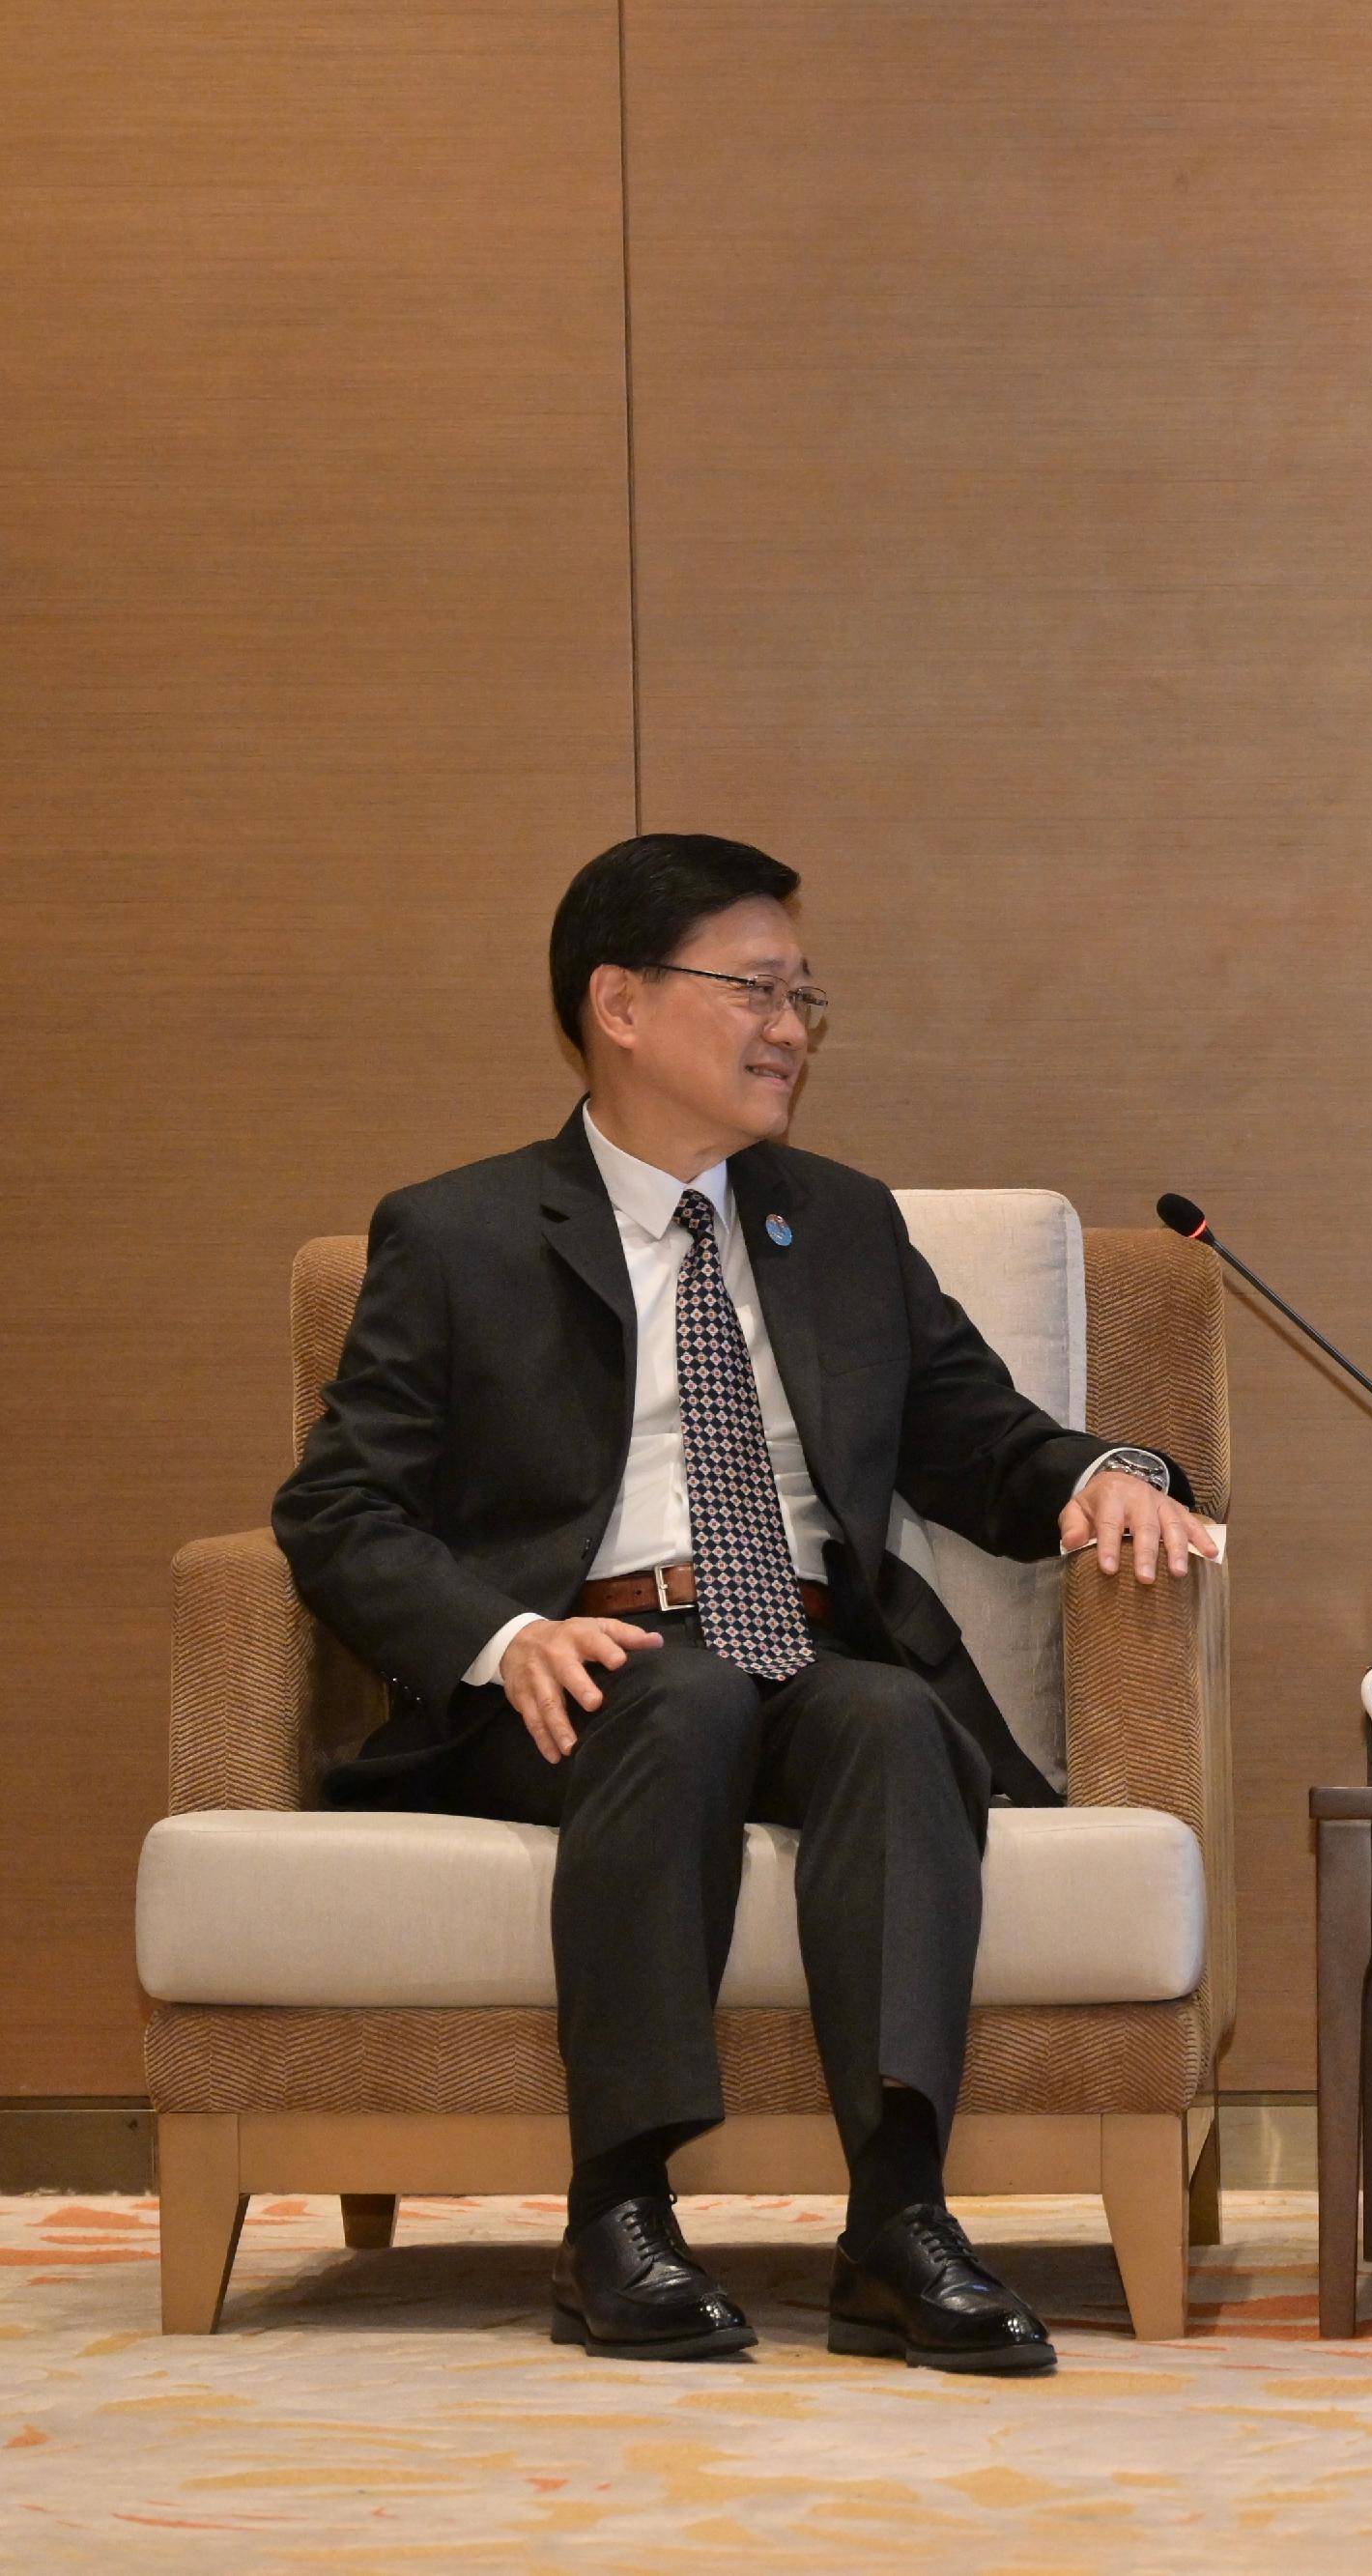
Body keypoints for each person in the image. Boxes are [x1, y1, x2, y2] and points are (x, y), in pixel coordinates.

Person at [274, 834, 1219, 2372]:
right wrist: (508, 1637)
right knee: (681, 1691)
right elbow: (334, 1508)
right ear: (621, 1004)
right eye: (758, 990)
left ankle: (898, 2222)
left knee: (900, 1720)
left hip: (803, 1644)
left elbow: (979, 1438)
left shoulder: (839, 1223)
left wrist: (1111, 1468)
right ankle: (620, 2212)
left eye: (806, 997)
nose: (792, 1028)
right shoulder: (457, 1236)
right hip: (575, 1675)